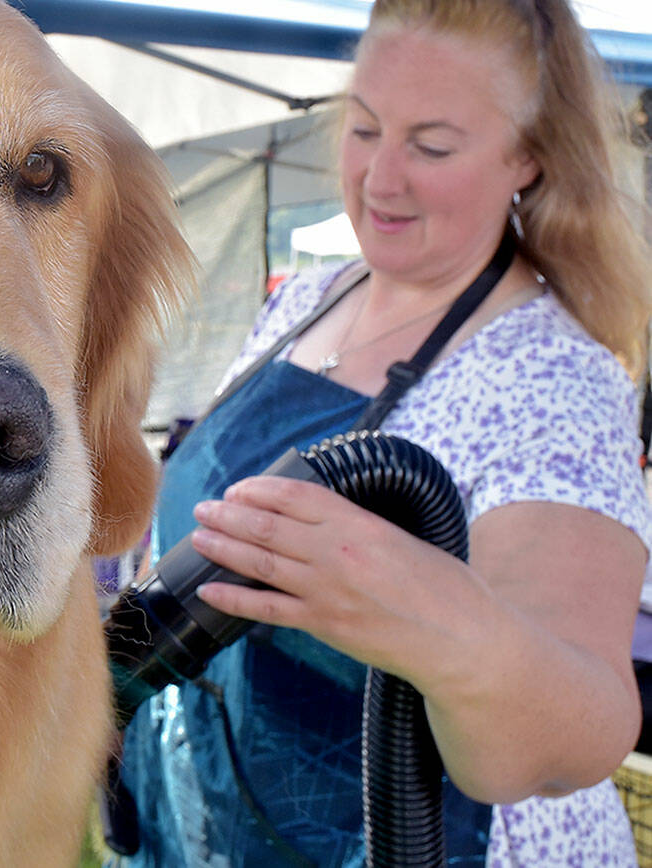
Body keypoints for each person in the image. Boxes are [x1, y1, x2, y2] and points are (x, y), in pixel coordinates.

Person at [116, 0, 652, 864]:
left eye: (432, 146)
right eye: (364, 130)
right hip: (206, 820)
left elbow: (577, 733)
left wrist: (436, 620)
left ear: (529, 157)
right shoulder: (309, 300)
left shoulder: (553, 379)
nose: (380, 179)